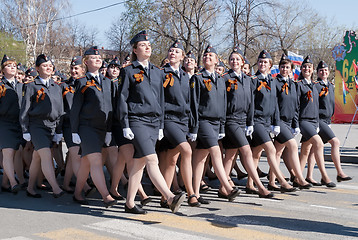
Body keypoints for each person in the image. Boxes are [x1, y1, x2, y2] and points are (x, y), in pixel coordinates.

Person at [118, 30, 185, 214]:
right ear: (134, 49)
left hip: (154, 122)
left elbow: (161, 99)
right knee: (152, 159)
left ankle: (130, 203)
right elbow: (122, 99)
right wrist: (125, 125)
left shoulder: (157, 72)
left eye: (148, 45)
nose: (147, 47)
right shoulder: (128, 71)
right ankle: (170, 197)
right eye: (142, 45)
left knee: (139, 163)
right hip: (137, 121)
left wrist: (161, 125)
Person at [190, 44, 240, 204]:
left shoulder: (220, 79)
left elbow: (223, 103)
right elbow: (194, 104)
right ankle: (227, 186)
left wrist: (221, 126)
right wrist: (194, 127)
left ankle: (194, 194)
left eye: (210, 56)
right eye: (205, 55)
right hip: (203, 121)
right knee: (216, 151)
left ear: (217, 60)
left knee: (200, 158)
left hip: (215, 122)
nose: (207, 57)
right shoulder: (197, 78)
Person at [221, 48, 273, 198]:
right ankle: (260, 187)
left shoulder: (248, 79)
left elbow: (251, 103)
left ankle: (222, 189)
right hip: (231, 120)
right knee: (246, 151)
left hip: (243, 120)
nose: (234, 62)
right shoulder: (225, 78)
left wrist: (250, 123)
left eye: (237, 59)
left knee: (230, 156)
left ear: (242, 62)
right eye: (232, 59)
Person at [71, 46, 117, 207]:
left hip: (102, 128)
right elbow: (75, 108)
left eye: (99, 58)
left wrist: (110, 129)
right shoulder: (82, 82)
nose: (98, 59)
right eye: (93, 57)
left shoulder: (107, 82)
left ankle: (77, 193)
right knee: (96, 160)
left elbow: (111, 106)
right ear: (86, 62)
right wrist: (74, 130)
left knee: (86, 162)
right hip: (86, 127)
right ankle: (106, 196)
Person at [248, 50, 296, 193]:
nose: (262, 64)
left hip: (267, 122)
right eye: (260, 62)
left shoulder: (271, 81)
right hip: (257, 121)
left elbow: (275, 104)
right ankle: (282, 181)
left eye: (265, 62)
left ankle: (249, 184)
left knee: (256, 153)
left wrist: (275, 123)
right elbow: (250, 104)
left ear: (270, 65)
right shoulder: (253, 80)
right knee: (271, 149)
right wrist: (249, 123)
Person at [159, 40, 200, 207]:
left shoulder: (185, 76)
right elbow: (159, 100)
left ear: (182, 56)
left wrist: (193, 126)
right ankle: (192, 194)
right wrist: (160, 124)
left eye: (176, 51)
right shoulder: (162, 73)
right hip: (169, 119)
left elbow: (191, 102)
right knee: (187, 150)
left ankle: (164, 197)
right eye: (170, 50)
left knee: (171, 159)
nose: (172, 53)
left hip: (182, 121)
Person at [20, 54, 64, 198]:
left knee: (37, 157)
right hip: (37, 126)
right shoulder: (32, 86)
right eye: (45, 65)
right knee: (46, 155)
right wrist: (25, 129)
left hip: (51, 126)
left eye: (50, 65)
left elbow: (59, 110)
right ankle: (56, 188)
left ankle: (30, 187)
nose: (49, 68)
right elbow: (25, 109)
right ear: (37, 68)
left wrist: (58, 130)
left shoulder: (57, 87)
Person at [305, 60, 352, 183]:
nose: (323, 72)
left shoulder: (331, 86)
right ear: (317, 72)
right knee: (335, 142)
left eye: (325, 70)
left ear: (329, 71)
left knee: (312, 148)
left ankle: (309, 176)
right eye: (321, 70)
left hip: (327, 120)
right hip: (318, 120)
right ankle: (339, 172)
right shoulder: (315, 86)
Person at [272, 54, 311, 189]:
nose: (284, 69)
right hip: (280, 121)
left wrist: (295, 125)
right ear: (279, 68)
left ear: (291, 69)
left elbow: (296, 106)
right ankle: (299, 178)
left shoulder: (293, 84)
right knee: (293, 146)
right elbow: (275, 105)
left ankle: (271, 181)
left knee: (277, 152)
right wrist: (276, 123)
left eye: (287, 67)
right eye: (282, 66)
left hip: (289, 122)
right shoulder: (275, 83)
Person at [296, 56, 336, 188]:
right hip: (304, 120)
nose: (307, 69)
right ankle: (325, 176)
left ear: (312, 70)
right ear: (301, 69)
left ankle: (298, 177)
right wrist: (295, 124)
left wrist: (319, 123)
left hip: (314, 121)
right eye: (304, 67)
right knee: (319, 144)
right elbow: (296, 106)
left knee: (306, 150)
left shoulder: (313, 85)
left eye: (309, 67)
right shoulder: (299, 85)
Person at [0, 55, 24, 194]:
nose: (12, 67)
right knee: (8, 153)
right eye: (9, 65)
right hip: (4, 122)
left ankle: (4, 183)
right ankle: (14, 183)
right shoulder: (1, 86)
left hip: (18, 123)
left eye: (14, 65)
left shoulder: (21, 86)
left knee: (14, 153)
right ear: (3, 70)